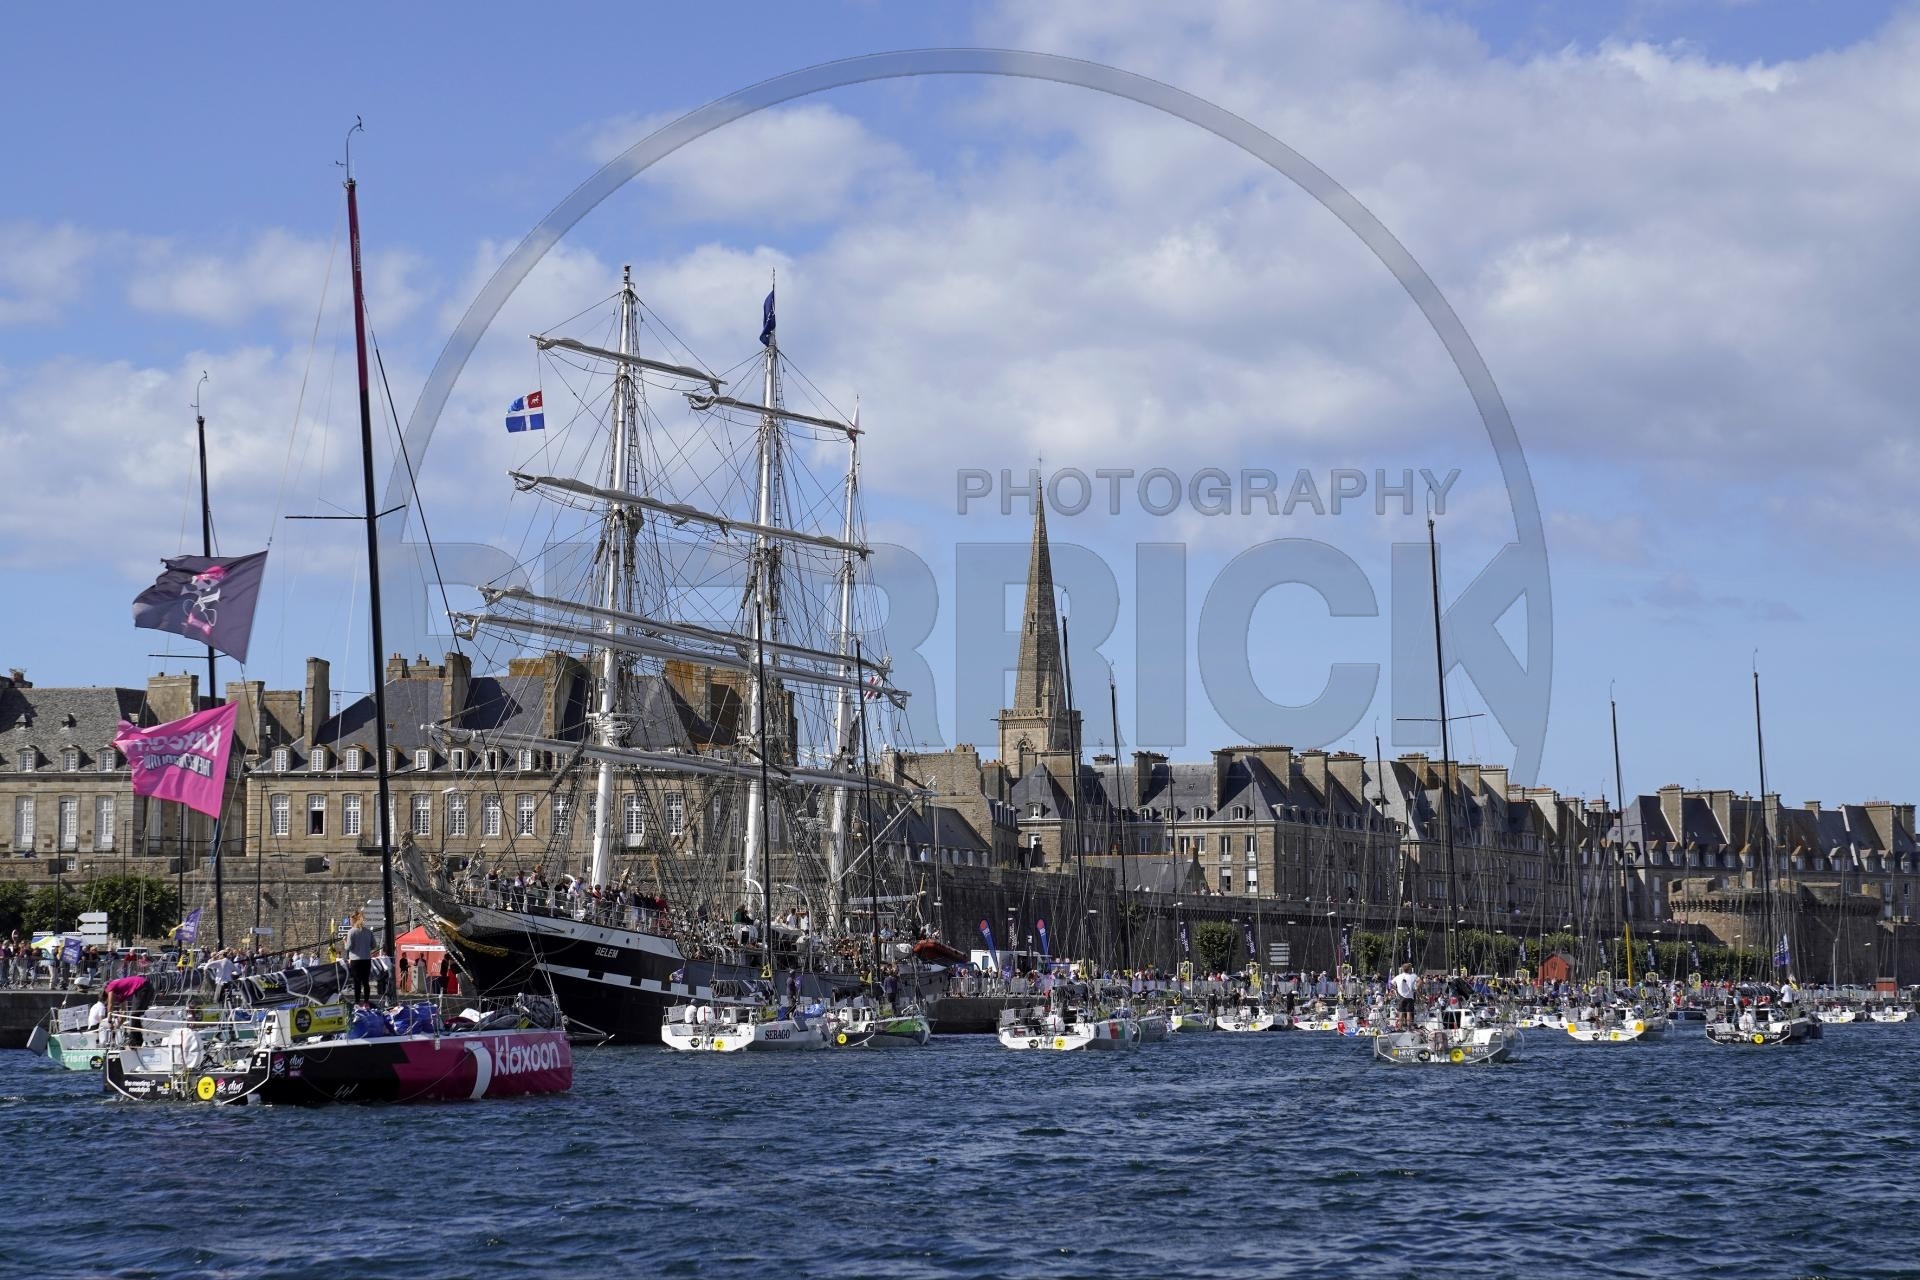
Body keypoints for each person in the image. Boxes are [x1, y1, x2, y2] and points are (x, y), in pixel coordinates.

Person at [102, 973, 155, 1047]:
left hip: (142, 987)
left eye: (106, 994)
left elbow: (110, 1005)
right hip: (147, 987)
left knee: (134, 1015)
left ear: (106, 989)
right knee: (136, 1015)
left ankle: (135, 1042)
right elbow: (123, 1012)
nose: (108, 996)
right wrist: (119, 1025)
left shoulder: (110, 986)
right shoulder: (121, 992)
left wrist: (109, 1021)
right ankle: (138, 1040)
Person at [345, 911, 375, 1006]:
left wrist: (344, 941)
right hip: (366, 960)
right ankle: (366, 1002)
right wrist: (365, 947)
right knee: (366, 982)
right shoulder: (368, 932)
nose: (350, 922)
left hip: (355, 961)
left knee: (357, 982)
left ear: (353, 920)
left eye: (350, 921)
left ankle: (357, 1002)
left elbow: (348, 947)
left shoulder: (351, 932)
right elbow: (374, 945)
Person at [1391, 963, 1420, 1030]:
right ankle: (1409, 1027)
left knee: (1401, 1012)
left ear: (1402, 969)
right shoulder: (1413, 976)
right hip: (1410, 996)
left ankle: (1400, 1027)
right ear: (1409, 969)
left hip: (1401, 997)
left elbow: (1391, 983)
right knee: (1409, 1012)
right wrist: (1416, 988)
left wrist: (1396, 989)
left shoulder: (1398, 976)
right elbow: (1420, 981)